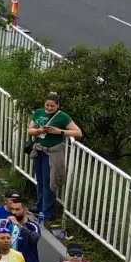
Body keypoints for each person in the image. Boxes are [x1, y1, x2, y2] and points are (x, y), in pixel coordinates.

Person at [27, 94, 82, 222]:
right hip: (39, 150)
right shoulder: (39, 112)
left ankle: (47, 212)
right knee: (40, 181)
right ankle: (39, 207)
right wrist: (39, 131)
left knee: (49, 182)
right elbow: (30, 129)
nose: (49, 108)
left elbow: (78, 132)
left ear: (58, 105)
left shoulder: (63, 117)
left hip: (52, 153)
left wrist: (59, 131)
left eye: (52, 106)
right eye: (47, 105)